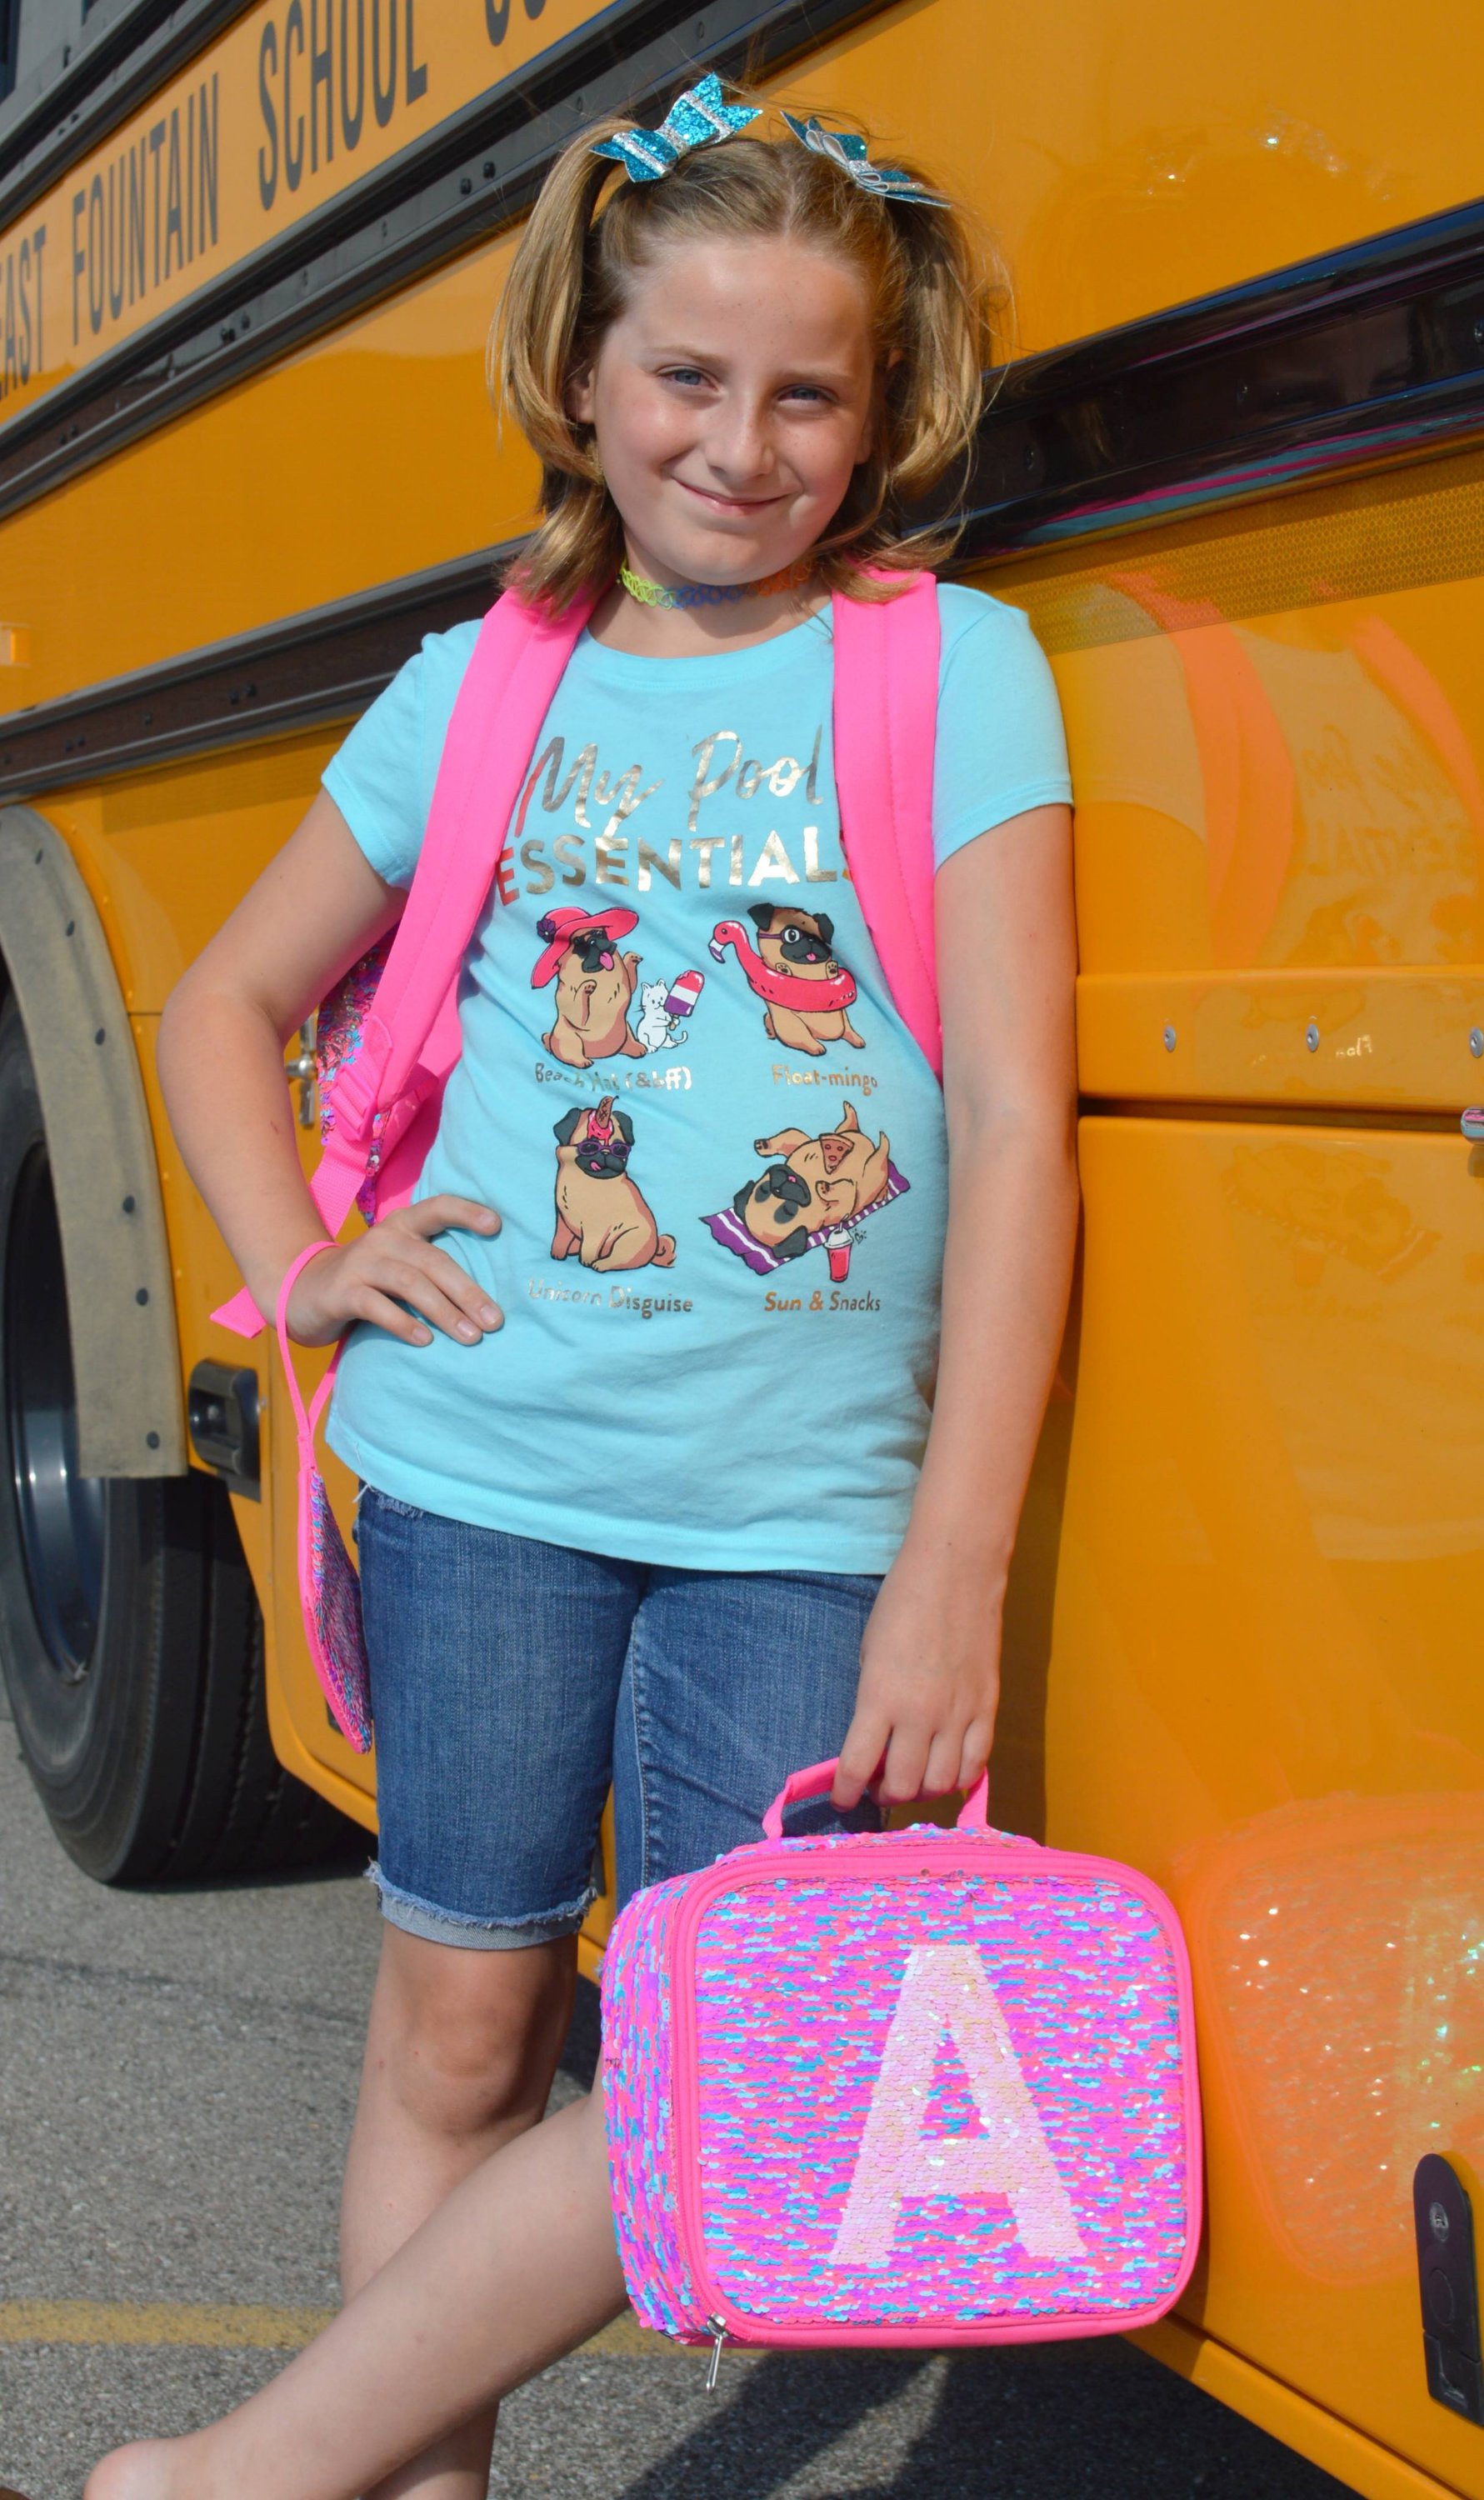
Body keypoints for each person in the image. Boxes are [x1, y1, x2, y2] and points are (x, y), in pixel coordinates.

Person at [81, 77, 1077, 2500]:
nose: (740, 444)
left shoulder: (955, 674)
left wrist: (956, 1568)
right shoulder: (481, 685)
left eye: (803, 392)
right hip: (485, 1472)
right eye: (688, 379)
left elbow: (1027, 1142)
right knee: (453, 2041)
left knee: (736, 2077)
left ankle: (245, 2475)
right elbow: (221, 1003)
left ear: (880, 404)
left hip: (806, 1519)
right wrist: (305, 1268)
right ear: (585, 379)